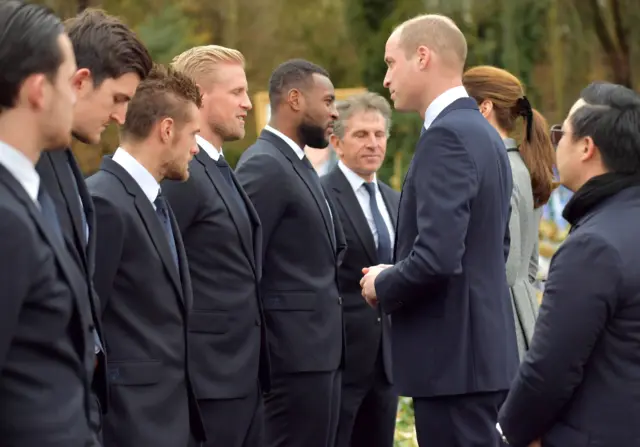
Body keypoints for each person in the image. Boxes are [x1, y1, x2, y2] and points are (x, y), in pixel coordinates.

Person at [360, 14, 518, 446]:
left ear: (423, 57)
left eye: (392, 63)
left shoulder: (446, 137)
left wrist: (383, 280)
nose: (386, 77)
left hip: (453, 365)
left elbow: (438, 257)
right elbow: (492, 246)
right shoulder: (482, 134)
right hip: (476, 357)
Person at [497, 82, 640, 447]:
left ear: (587, 148)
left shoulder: (594, 246)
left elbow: (550, 368)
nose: (555, 141)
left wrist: (507, 433)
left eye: (561, 133)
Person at [35, 8, 153, 438]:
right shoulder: (26, 164)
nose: (122, 118)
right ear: (81, 81)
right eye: (118, 100)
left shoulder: (61, 156)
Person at [87, 65, 205, 447]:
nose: (196, 149)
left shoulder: (156, 199)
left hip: (171, 418)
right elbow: (87, 325)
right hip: (129, 423)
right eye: (193, 135)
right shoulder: (105, 201)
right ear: (167, 129)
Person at [235, 59, 346, 447]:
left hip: (317, 357)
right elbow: (244, 264)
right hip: (291, 361)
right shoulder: (265, 165)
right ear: (295, 99)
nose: (335, 112)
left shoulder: (294, 162)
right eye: (328, 100)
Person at [0, 2, 97, 445]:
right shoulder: (6, 217)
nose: (76, 95)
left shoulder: (30, 194)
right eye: (69, 80)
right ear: (39, 90)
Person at [165, 45, 270, 447]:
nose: (247, 103)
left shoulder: (220, 168)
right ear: (199, 95)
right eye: (237, 92)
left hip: (243, 379)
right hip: (209, 383)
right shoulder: (183, 176)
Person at [321, 92, 399, 447]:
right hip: (340, 361)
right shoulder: (321, 196)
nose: (373, 144)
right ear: (336, 142)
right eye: (361, 135)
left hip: (387, 363)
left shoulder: (396, 200)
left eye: (379, 135)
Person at [462, 65, 556, 360]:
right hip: (523, 316)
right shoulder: (519, 165)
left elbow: (506, 267)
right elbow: (527, 266)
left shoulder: (497, 168)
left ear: (484, 108)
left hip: (502, 329)